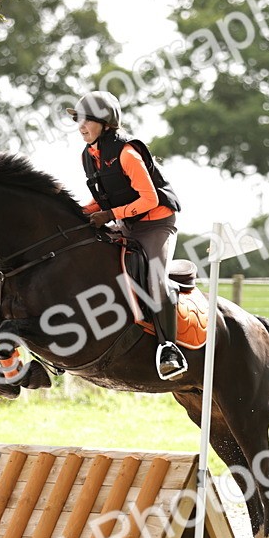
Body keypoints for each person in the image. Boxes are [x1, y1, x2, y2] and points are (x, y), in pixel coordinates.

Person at [66, 91, 188, 380]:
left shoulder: (127, 153)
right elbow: (103, 199)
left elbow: (150, 199)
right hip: (127, 222)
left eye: (86, 120)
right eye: (78, 121)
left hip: (156, 223)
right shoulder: (89, 155)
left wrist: (109, 215)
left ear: (106, 123)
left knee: (155, 278)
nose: (81, 127)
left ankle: (169, 349)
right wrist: (75, 212)